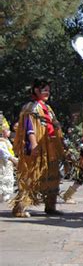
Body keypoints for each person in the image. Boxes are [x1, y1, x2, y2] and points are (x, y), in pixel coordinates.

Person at [11, 78, 65, 217]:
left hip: (50, 147)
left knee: (52, 176)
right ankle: (20, 208)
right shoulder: (31, 107)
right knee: (31, 176)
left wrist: (61, 142)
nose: (47, 92)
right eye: (44, 90)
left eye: (48, 90)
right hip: (37, 147)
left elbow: (54, 125)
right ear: (36, 90)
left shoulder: (47, 108)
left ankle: (50, 206)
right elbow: (29, 128)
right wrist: (33, 144)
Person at [0, 117, 17, 202]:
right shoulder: (1, 142)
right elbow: (4, 154)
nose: (8, 132)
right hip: (3, 168)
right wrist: (15, 161)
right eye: (6, 130)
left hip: (7, 167)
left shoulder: (6, 141)